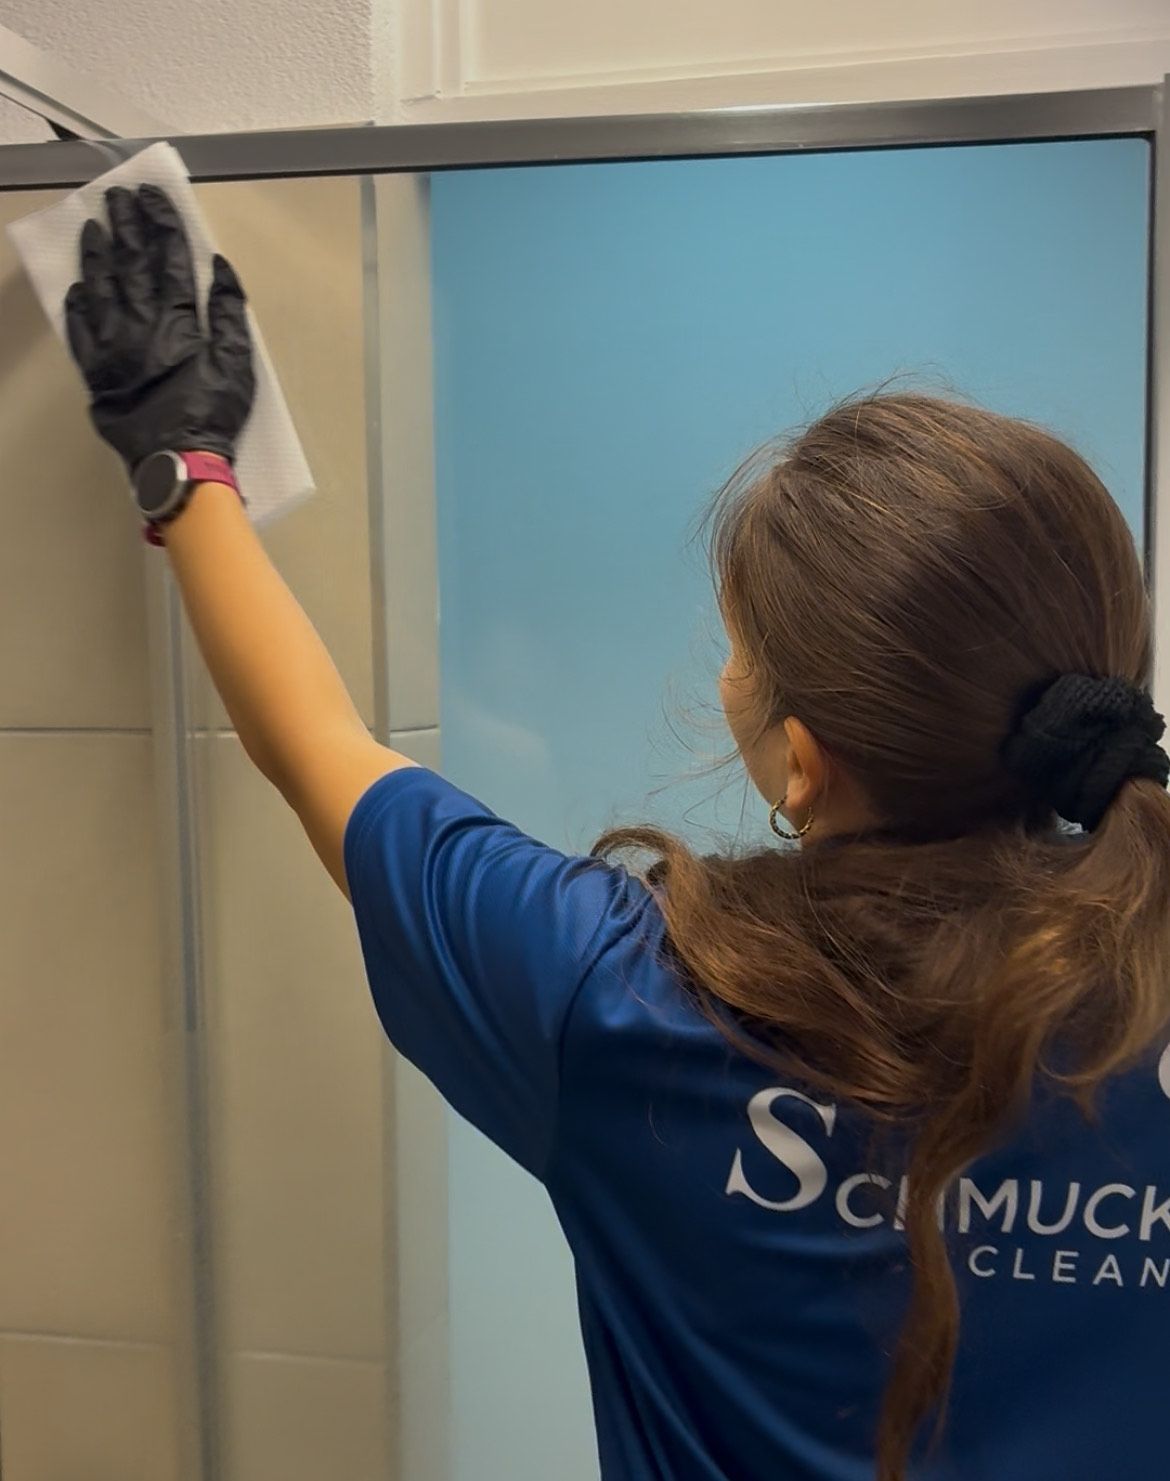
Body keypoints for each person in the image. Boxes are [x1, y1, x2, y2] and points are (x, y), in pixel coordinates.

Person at [65, 184, 1170, 1481]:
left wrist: (184, 458)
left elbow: (315, 746)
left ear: (799, 764)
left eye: (738, 651)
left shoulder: (625, 996)